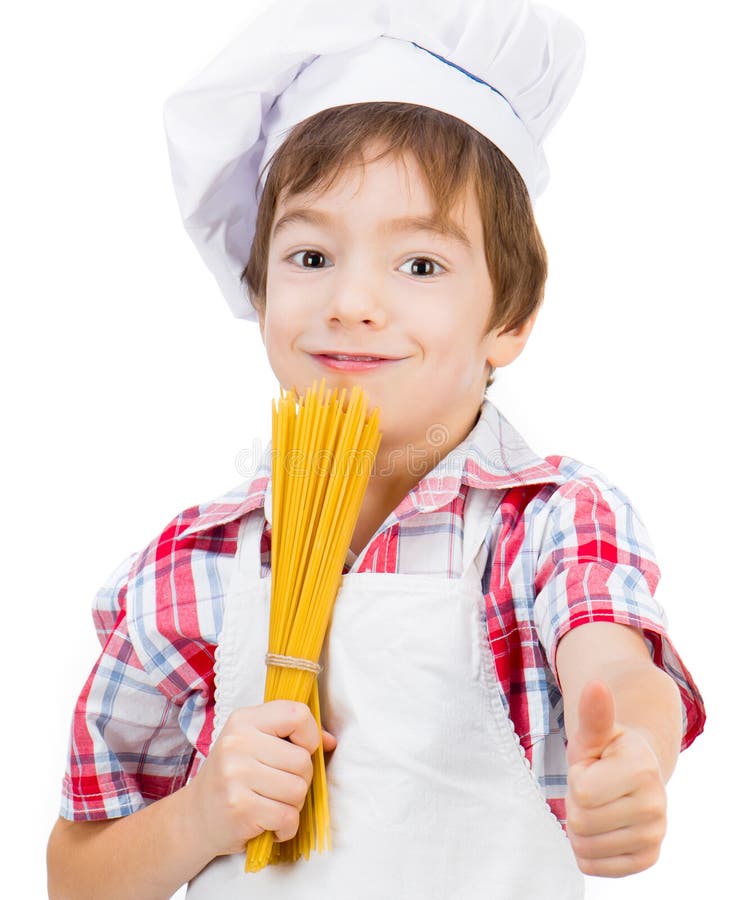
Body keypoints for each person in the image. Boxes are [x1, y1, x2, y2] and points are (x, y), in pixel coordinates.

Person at [46, 1, 705, 897]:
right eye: (311, 257)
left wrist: (627, 752)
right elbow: (76, 875)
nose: (351, 301)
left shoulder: (544, 523)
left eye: (421, 265)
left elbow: (613, 661)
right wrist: (200, 816)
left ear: (509, 318)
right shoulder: (188, 567)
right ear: (259, 285)